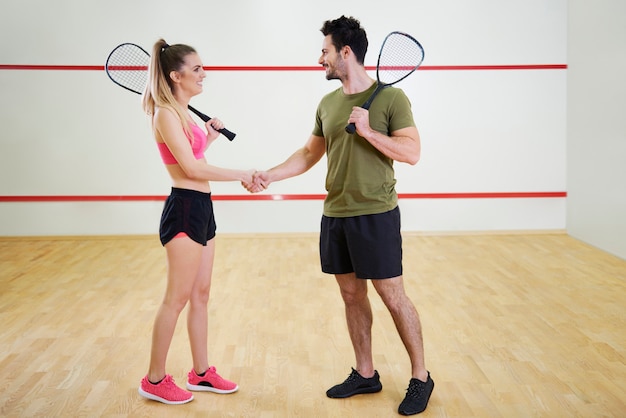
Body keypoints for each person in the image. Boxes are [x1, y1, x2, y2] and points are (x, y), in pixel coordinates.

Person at [246, 16, 434, 415]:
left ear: (344, 52)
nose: (320, 59)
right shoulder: (328, 104)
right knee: (351, 295)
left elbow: (412, 153)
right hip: (336, 213)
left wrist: (369, 132)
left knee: (392, 296)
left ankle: (421, 377)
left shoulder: (391, 100)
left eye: (325, 51)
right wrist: (269, 175)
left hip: (377, 214)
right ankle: (365, 373)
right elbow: (309, 154)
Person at [137, 38, 254, 405]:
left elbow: (195, 157)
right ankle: (154, 379)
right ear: (176, 75)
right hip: (185, 209)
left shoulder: (184, 113)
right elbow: (189, 168)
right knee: (177, 298)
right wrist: (241, 173)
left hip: (203, 208)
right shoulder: (165, 114)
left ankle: (200, 373)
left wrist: (211, 137)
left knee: (201, 296)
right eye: (198, 68)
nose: (205, 74)